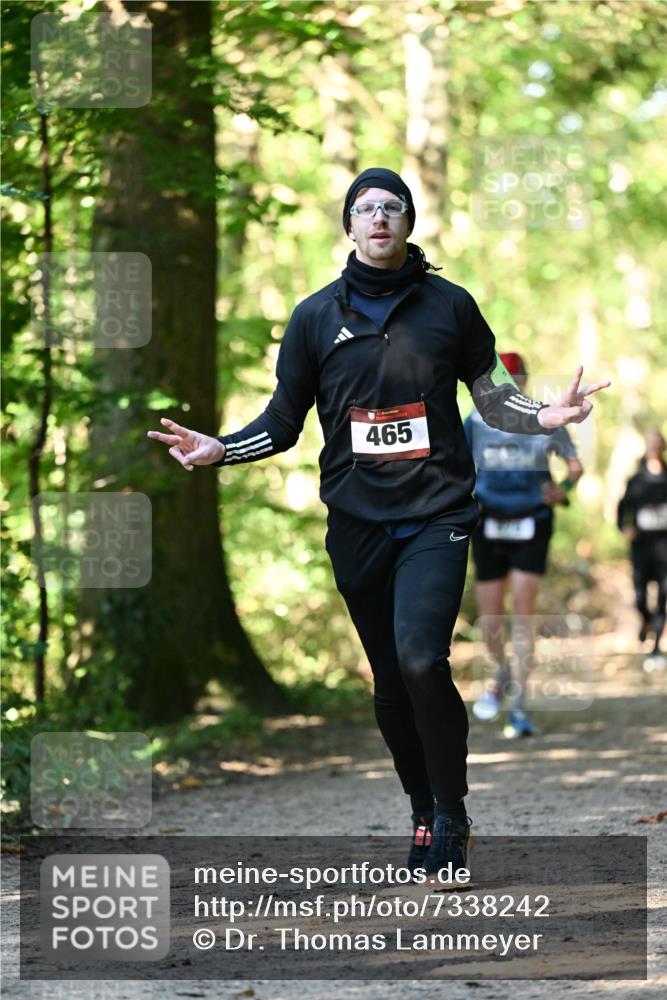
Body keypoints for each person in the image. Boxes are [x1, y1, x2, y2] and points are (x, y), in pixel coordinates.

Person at [147, 168, 610, 884]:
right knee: (390, 680)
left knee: (422, 660)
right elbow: (281, 423)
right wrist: (218, 449)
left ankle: (452, 814)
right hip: (357, 521)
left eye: (391, 207)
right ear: (349, 225)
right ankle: (420, 808)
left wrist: (545, 417)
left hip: (436, 515)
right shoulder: (312, 318)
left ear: (408, 221)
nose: (378, 218)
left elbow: (492, 400)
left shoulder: (449, 306)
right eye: (365, 209)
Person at [464, 352, 583, 738]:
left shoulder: (544, 418)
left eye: (517, 379)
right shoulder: (476, 422)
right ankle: (501, 673)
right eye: (505, 379)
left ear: (526, 382)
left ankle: (518, 703)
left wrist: (560, 491)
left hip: (532, 521)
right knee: (492, 619)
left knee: (523, 611)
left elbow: (575, 467)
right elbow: (456, 467)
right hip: (487, 522)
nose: (512, 385)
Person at [617, 429, 667, 660]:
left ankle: (655, 646)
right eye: (650, 442)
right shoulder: (635, 480)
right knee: (640, 596)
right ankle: (646, 620)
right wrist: (626, 527)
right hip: (641, 546)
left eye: (658, 442)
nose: (654, 446)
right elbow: (624, 509)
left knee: (663, 596)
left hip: (664, 546)